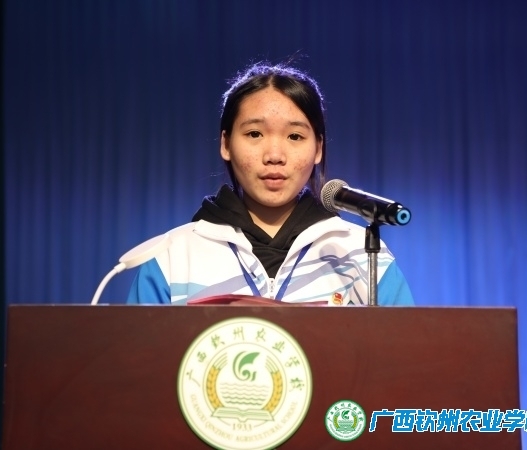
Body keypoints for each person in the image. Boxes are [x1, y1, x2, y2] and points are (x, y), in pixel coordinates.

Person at [127, 62, 413, 306]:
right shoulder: (172, 257)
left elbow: (405, 350)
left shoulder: (363, 255)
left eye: (295, 137)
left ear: (318, 148)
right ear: (226, 144)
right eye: (254, 134)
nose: (274, 156)